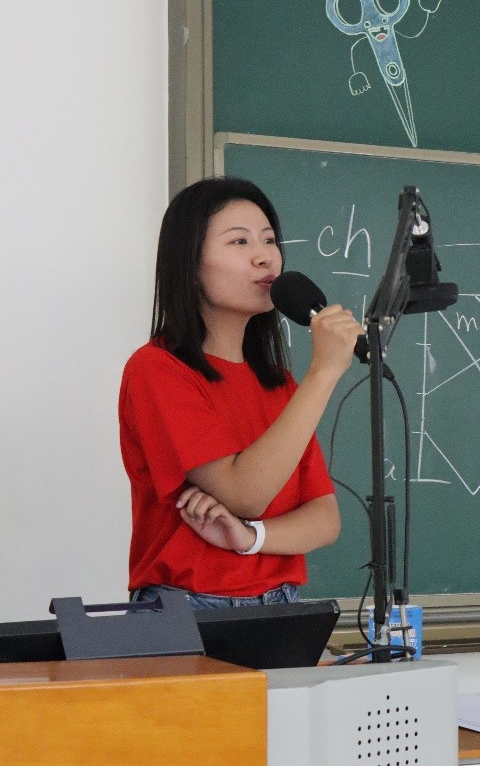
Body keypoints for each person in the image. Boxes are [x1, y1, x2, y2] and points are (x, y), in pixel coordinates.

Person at [119, 176, 365, 609]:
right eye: (239, 241)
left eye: (269, 240)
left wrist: (252, 538)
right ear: (190, 264)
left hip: (281, 604)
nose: (264, 256)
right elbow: (244, 494)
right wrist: (324, 371)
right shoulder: (157, 369)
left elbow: (325, 520)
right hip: (187, 607)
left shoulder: (279, 384)